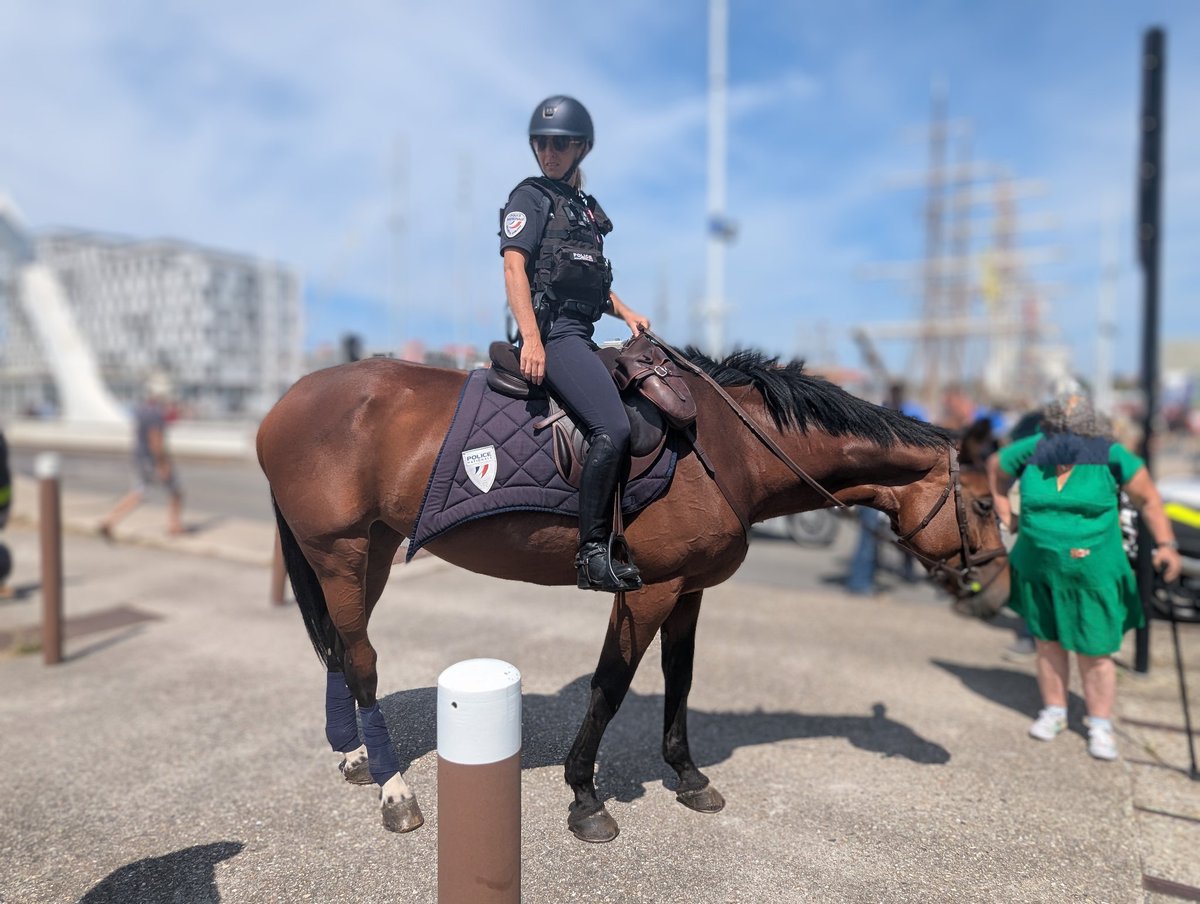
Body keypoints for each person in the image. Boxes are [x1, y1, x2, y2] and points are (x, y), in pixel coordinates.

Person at [499, 95, 651, 593]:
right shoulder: (530, 197)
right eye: (542, 143)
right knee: (612, 425)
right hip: (556, 336)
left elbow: (583, 281)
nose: (550, 152)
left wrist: (624, 310)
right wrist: (532, 340)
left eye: (560, 144)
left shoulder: (584, 210)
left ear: (580, 148)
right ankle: (591, 553)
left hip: (582, 331)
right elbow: (515, 267)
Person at [986, 386, 1181, 760]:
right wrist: (1004, 509)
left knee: (1095, 651)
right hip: (1039, 569)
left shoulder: (1111, 456)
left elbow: (1150, 501)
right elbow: (997, 467)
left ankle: (1100, 723)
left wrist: (1167, 546)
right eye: (1058, 428)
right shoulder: (1037, 448)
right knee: (1047, 642)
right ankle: (1055, 711)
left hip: (1094, 573)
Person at [845, 382, 922, 594]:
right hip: (877, 487)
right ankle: (861, 583)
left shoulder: (881, 418)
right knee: (870, 539)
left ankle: (863, 579)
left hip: (874, 487)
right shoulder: (898, 421)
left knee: (869, 538)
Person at [99, 373, 185, 540]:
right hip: (152, 460)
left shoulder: (141, 409)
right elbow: (156, 442)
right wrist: (162, 465)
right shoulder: (156, 414)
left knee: (138, 492)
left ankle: (108, 521)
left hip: (139, 457)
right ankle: (175, 526)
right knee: (176, 491)